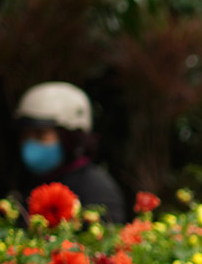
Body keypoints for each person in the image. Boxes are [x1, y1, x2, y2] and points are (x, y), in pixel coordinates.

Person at [15, 82, 126, 222]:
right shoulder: (30, 184)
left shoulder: (96, 189)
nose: (29, 144)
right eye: (25, 135)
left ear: (70, 137)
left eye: (40, 134)